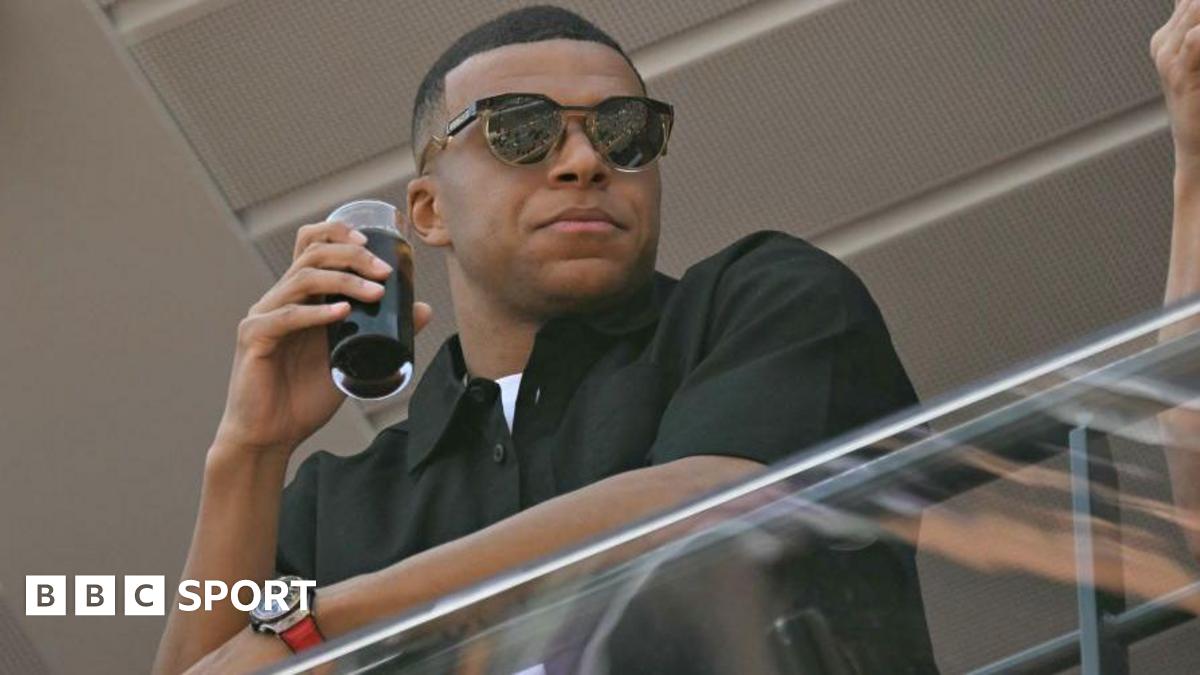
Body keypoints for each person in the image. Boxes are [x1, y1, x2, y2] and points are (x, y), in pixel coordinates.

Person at [153, 6, 959, 674]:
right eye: (521, 131)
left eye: (624, 132)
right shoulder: (339, 503)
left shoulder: (761, 299)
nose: (583, 160)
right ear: (428, 211)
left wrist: (324, 622)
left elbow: (714, 503)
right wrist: (250, 451)